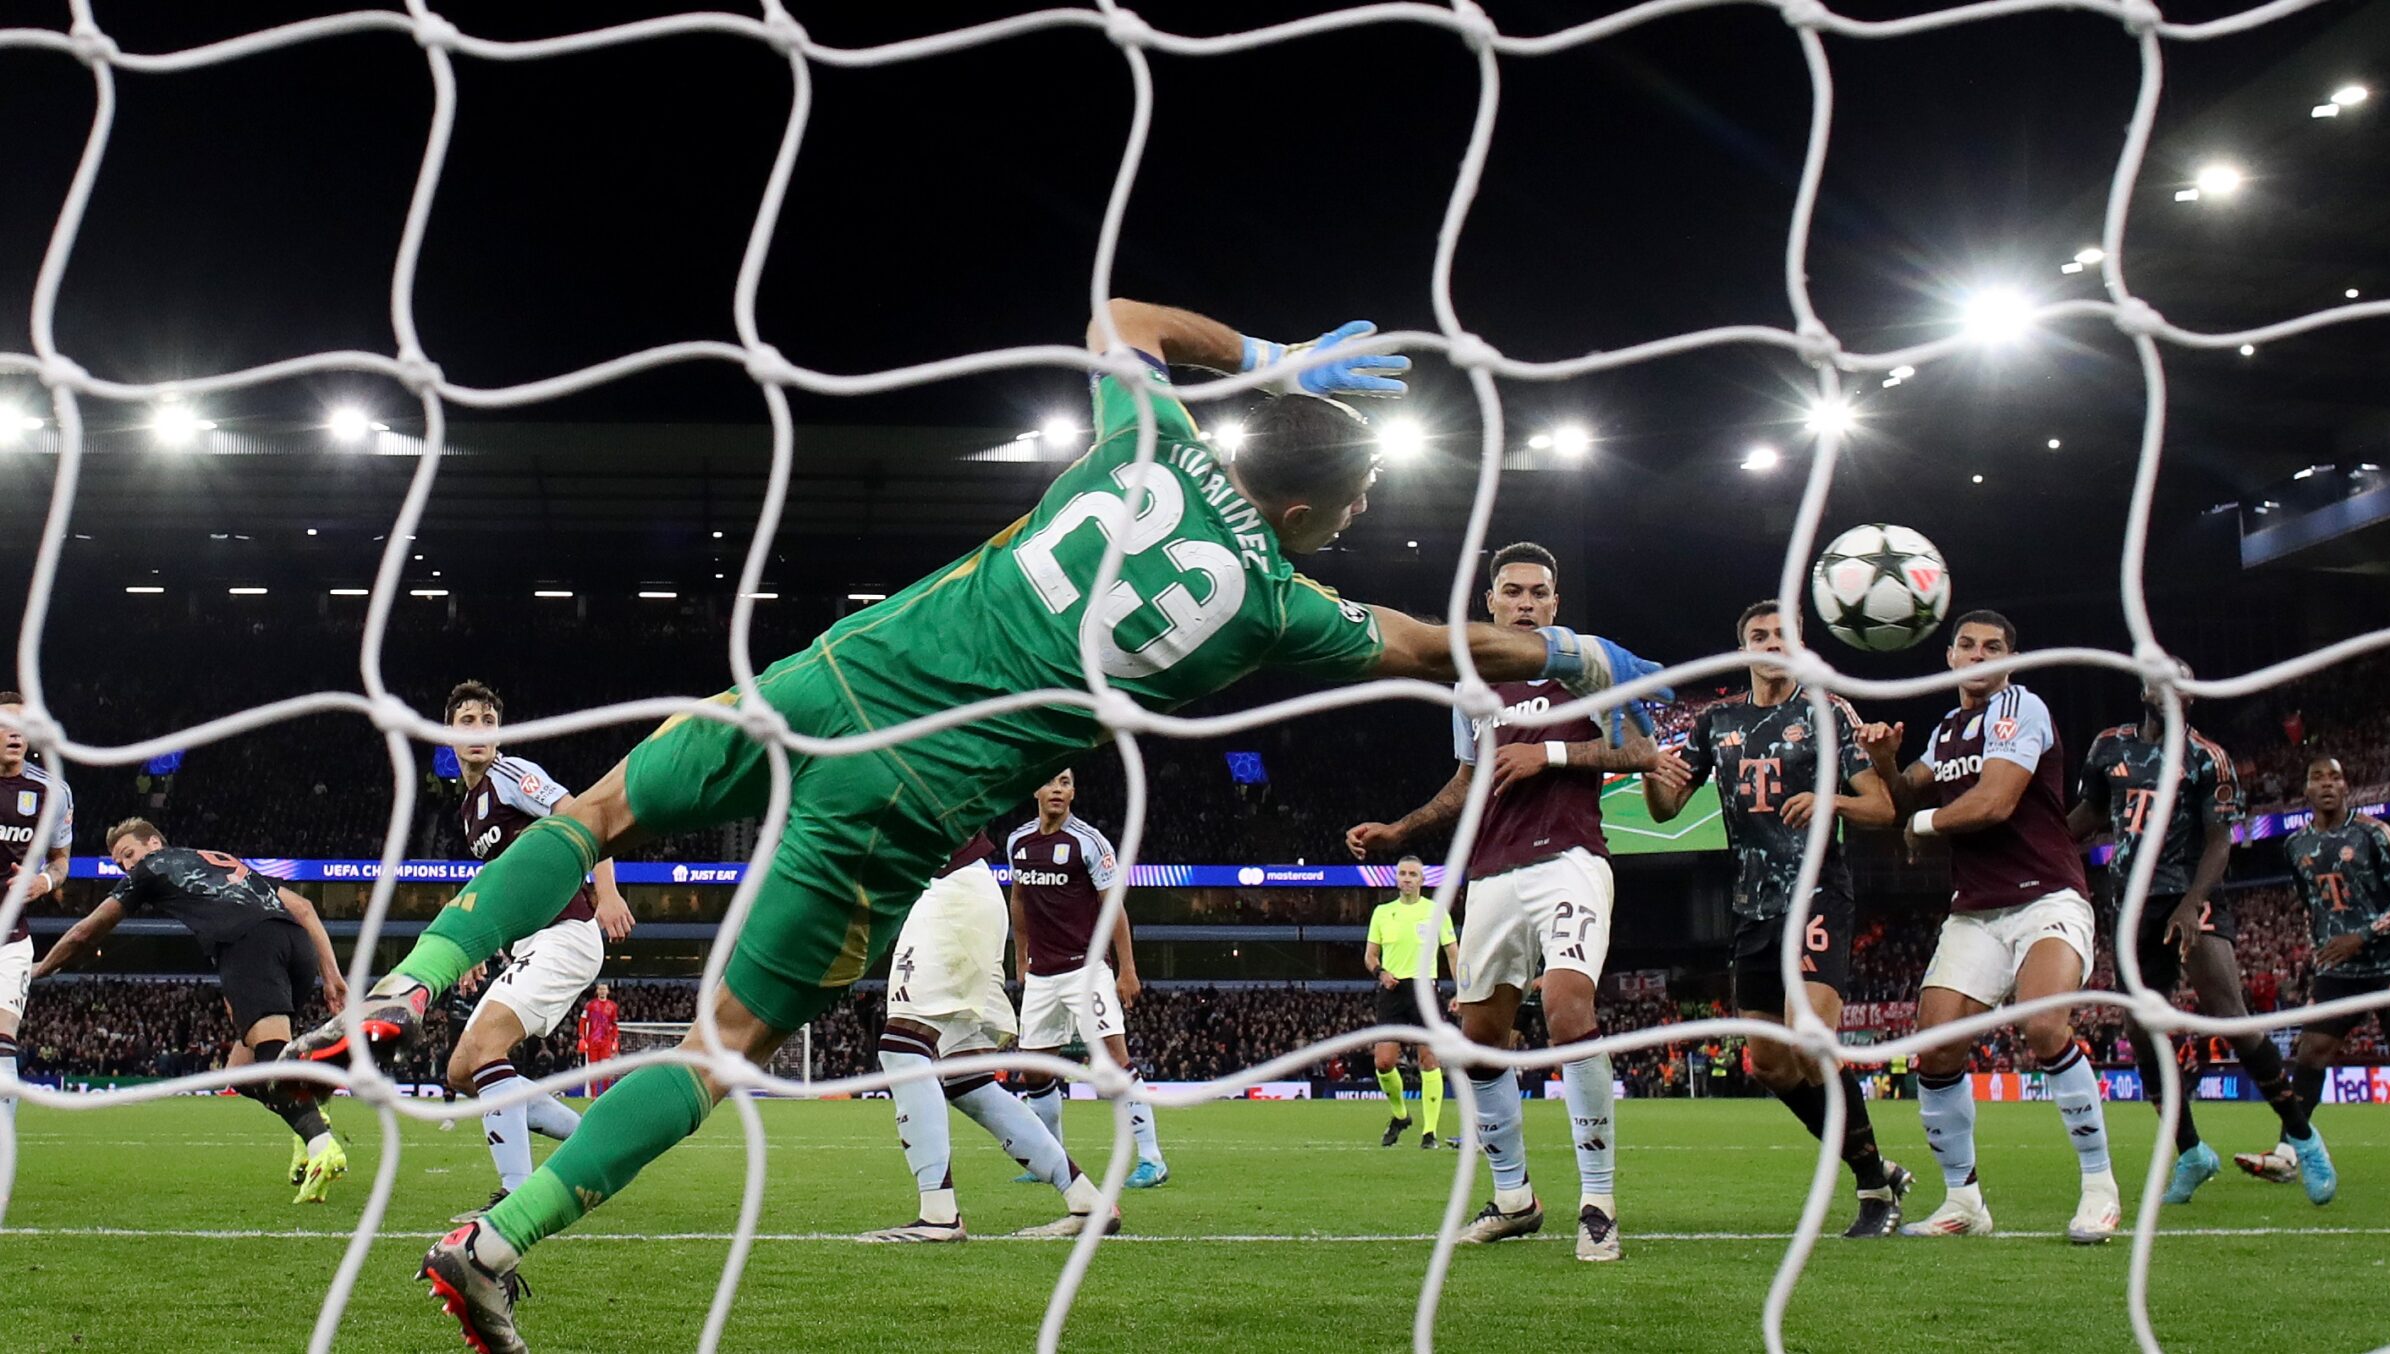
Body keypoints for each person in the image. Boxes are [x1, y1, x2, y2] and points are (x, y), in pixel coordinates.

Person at [281, 297, 1660, 1352]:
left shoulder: (1152, 434)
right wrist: (1580, 654)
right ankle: (495, 1236)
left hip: (823, 683)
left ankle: (406, 982)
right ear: (1299, 511)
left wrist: (1270, 354)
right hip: (899, 802)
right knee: (721, 1052)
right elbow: (1432, 646)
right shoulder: (1280, 609)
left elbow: (1118, 316)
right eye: (1351, 508)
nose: (1354, 524)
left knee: (594, 806)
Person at [1346, 541, 1662, 1263]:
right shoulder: (1473, 687)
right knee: (1480, 1034)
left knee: (1567, 1004)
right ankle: (1515, 1197)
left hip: (1571, 859)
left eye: (1538, 593)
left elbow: (1641, 752)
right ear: (1489, 603)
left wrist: (1549, 755)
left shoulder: (1587, 668)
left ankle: (1598, 1201)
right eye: (1512, 592)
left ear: (1555, 604)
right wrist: (1402, 827)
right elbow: (1467, 783)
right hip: (1490, 872)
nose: (1524, 603)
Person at [1640, 600, 1912, 1237]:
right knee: (1768, 1063)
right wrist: (1656, 768)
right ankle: (1876, 1165)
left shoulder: (1826, 712)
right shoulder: (1717, 721)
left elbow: (1881, 810)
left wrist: (1829, 798)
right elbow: (1664, 812)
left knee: (1811, 1042)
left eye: (1780, 635)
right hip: (1751, 905)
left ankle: (1875, 1190)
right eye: (1757, 636)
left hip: (1816, 891)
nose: (1769, 644)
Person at [1860, 610, 2121, 1243]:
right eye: (1968, 646)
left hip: (2047, 897)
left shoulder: (2019, 709)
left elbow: (1995, 802)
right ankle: (1964, 1202)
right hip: (1976, 908)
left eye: (1993, 648)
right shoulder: (1949, 730)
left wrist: (1920, 827)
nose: (1979, 656)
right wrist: (1887, 762)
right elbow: (1903, 796)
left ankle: (2099, 1188)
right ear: (1950, 657)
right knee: (1937, 1044)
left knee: (2043, 1023)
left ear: (2009, 660)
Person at [2068, 668, 2329, 1205]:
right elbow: (2091, 813)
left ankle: (2302, 1137)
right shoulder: (2107, 746)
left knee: (2228, 1016)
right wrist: (2038, 844)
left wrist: (2192, 904)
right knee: (2139, 1033)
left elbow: (2220, 840)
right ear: (2143, 688)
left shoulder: (2209, 757)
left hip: (2189, 897)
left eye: (2183, 682)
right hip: (2130, 904)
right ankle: (2190, 1151)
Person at [34, 819, 351, 1201]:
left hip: (249, 945)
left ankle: (321, 1144)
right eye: (121, 864)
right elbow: (302, 906)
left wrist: (40, 969)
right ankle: (309, 1116)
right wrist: (330, 974)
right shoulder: (222, 861)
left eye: (129, 855)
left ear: (154, 842)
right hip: (296, 946)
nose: (128, 867)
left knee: (269, 1064)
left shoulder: (152, 867)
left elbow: (87, 932)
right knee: (242, 1074)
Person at [860, 829, 1116, 1241]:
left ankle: (938, 1216)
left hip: (950, 893)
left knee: (902, 1050)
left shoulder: (866, 770)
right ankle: (1087, 1201)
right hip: (963, 889)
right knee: (968, 1080)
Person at [441, 682, 634, 1223]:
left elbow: (588, 817)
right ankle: (591, 1141)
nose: (477, 730)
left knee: (484, 1051)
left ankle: (517, 1193)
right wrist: (475, 943)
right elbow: (500, 887)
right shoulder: (469, 811)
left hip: (566, 934)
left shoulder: (511, 777)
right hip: (529, 946)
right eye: (466, 721)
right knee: (461, 1072)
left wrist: (608, 892)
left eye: (486, 720)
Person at [2235, 758, 2390, 1186]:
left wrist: (2362, 936)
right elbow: (2311, 905)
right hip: (2338, 969)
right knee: (2310, 1051)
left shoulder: (2374, 832)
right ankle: (2287, 1153)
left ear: (2346, 786)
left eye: (2335, 777)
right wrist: (2320, 951)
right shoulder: (2295, 845)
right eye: (2318, 778)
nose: (2327, 785)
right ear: (2306, 791)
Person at [1006, 770, 1167, 1185]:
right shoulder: (1018, 842)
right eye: (1050, 782)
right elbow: (1019, 900)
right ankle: (1052, 1162)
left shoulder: (1089, 842)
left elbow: (1114, 906)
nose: (1057, 790)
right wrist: (1021, 958)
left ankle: (1152, 1159)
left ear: (1074, 791)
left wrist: (1127, 969)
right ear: (1036, 790)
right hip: (1042, 974)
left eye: (1065, 783)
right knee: (1036, 1072)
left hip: (1086, 968)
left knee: (1114, 1059)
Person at [0, 690, 73, 1124]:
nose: (15, 735)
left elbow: (61, 861)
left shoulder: (51, 792)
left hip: (10, 940)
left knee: (3, 1042)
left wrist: (44, 881)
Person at [1363, 854, 1460, 1148]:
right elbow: (1370, 956)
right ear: (1396, 878)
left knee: (1428, 1060)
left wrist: (1461, 991)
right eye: (1402, 873)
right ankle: (1401, 1115)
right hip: (1392, 991)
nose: (1406, 878)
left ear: (1422, 880)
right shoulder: (1382, 912)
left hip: (1425, 991)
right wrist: (1380, 972)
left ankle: (1429, 1133)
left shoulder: (1436, 912)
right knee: (1383, 1062)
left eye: (1412, 874)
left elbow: (1452, 953)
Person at [577, 983, 620, 1099]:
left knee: (606, 1069)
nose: (602, 991)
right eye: (600, 989)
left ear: (608, 991)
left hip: (606, 1042)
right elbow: (582, 1021)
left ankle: (606, 1095)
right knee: (594, 1070)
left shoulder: (612, 1006)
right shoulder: (590, 1005)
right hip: (593, 1041)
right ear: (597, 991)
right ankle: (594, 1096)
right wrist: (582, 1038)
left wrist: (615, 1040)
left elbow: (614, 1024)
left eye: (604, 989)